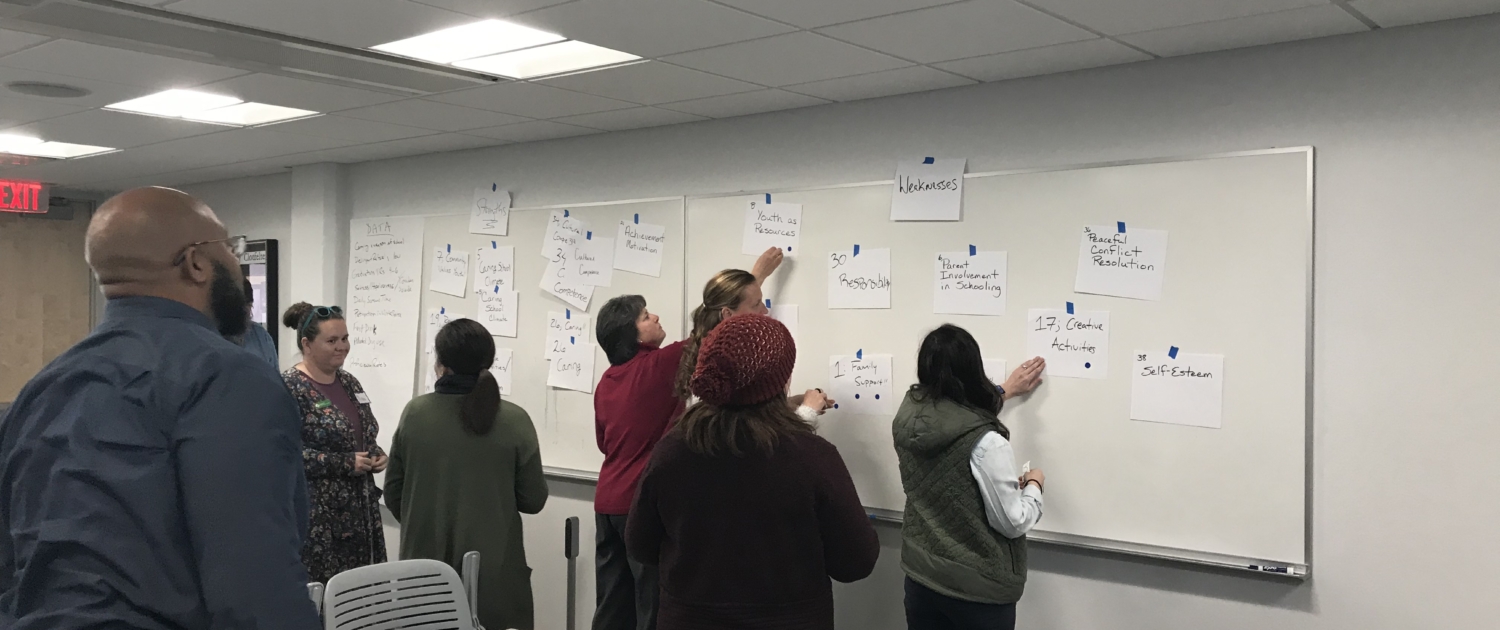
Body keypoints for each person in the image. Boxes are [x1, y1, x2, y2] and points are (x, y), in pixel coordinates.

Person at [0, 187, 318, 628]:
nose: (234, 258)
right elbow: (253, 584)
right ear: (196, 262)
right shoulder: (227, 377)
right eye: (229, 246)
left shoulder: (42, 388)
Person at [626, 314, 879, 630]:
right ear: (781, 381)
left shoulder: (672, 450)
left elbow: (640, 545)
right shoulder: (812, 457)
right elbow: (856, 562)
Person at [385, 318, 548, 630]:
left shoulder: (416, 414)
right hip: (493, 576)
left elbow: (394, 493)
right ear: (489, 361)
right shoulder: (514, 419)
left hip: (423, 576)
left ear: (440, 363)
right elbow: (533, 499)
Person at [891, 324, 1048, 630]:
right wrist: (1034, 485)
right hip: (977, 592)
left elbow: (953, 419)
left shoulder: (907, 417)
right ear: (974, 368)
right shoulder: (988, 443)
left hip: (922, 576)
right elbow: (1013, 521)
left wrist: (1006, 389)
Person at [280, 301, 388, 584]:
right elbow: (283, 453)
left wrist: (375, 454)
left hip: (361, 512)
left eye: (345, 338)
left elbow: (363, 432)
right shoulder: (289, 387)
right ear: (307, 344)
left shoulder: (350, 382)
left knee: (363, 596)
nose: (342, 346)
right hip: (318, 518)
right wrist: (344, 462)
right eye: (332, 340)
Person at [674, 247, 831, 411]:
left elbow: (748, 413)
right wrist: (807, 412)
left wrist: (787, 406)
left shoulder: (715, 351)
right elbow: (743, 429)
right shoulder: (726, 361)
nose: (764, 310)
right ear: (728, 314)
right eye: (756, 304)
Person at [232, 277, 279, 366]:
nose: (245, 313)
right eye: (239, 309)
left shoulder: (260, 335)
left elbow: (274, 375)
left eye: (249, 307)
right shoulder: (211, 335)